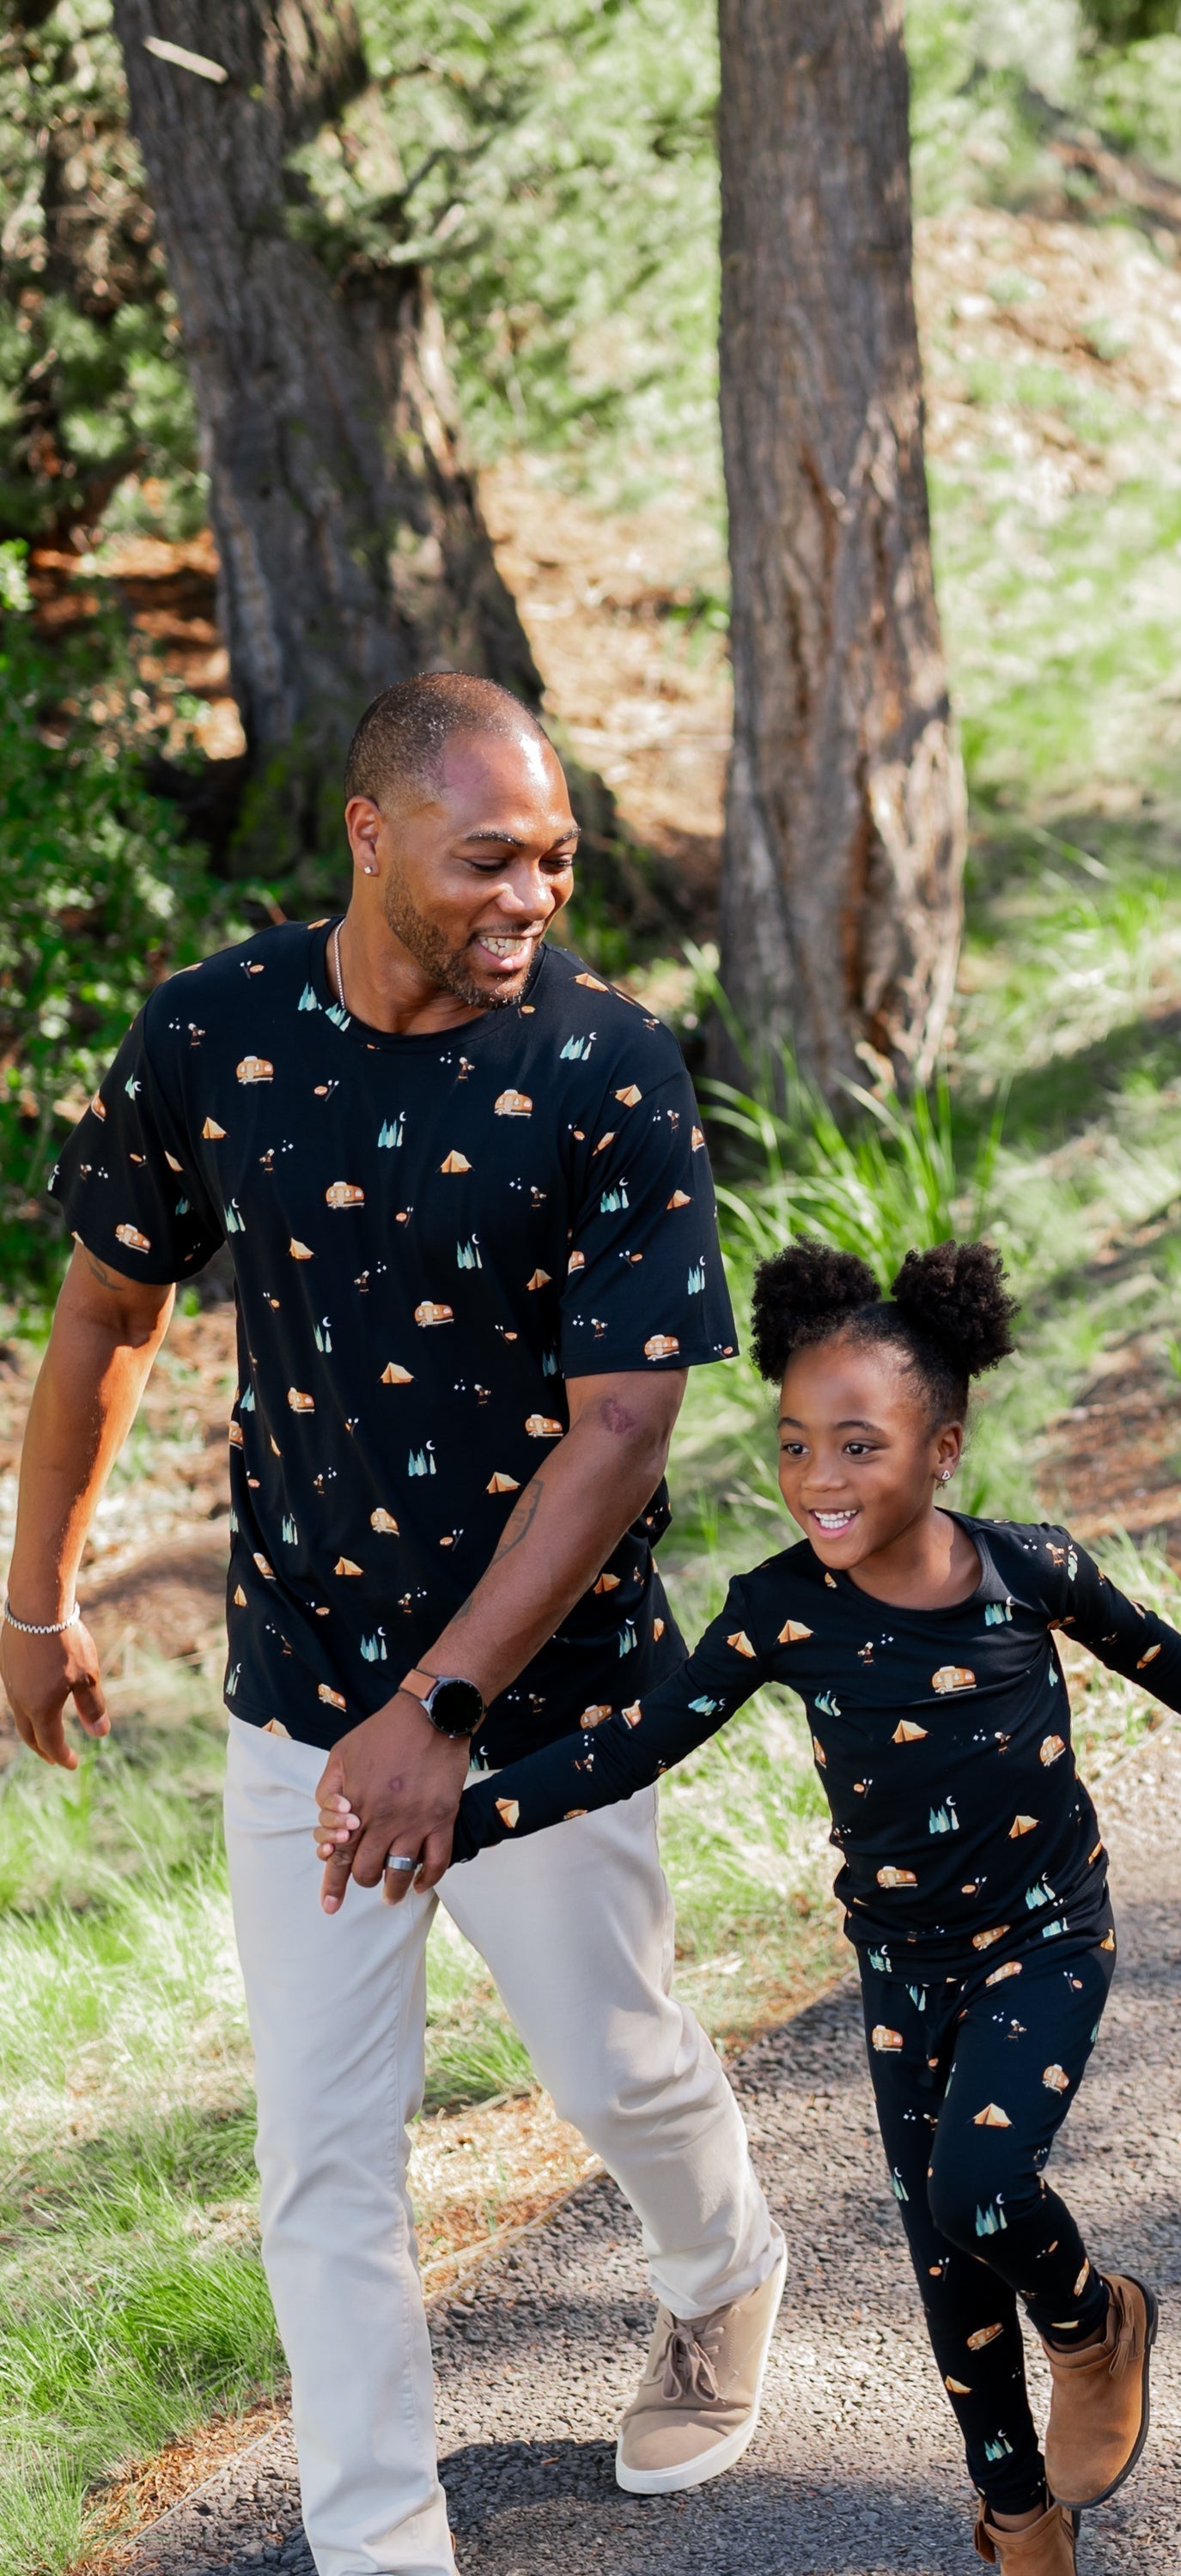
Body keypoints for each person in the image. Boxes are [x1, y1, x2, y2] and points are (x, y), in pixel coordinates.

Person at [4, 674, 787, 2576]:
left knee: (612, 2066)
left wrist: (443, 1708)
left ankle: (724, 2266)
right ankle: (381, 2544)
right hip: (300, 1696)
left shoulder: (608, 1065)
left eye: (556, 860)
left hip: (547, 1705)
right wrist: (35, 1599)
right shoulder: (215, 1033)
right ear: (370, 837)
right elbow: (108, 1311)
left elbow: (623, 1430)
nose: (533, 898)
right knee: (325, 2156)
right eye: (489, 858)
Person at [324, 1237, 1181, 2576]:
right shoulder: (780, 1612)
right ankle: (1019, 2522)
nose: (819, 1478)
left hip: (1046, 1934)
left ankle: (1094, 2321)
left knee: (983, 2190)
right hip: (902, 1965)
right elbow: (631, 1746)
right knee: (943, 2261)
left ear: (944, 1450)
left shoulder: (1028, 1572)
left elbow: (1164, 1656)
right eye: (795, 1445)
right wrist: (457, 1819)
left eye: (860, 1446)